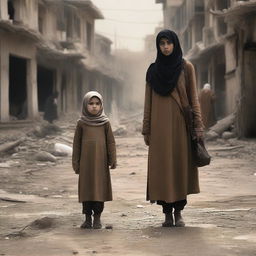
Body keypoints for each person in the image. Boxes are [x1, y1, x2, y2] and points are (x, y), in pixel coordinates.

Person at [142, 29, 204, 227]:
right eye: (162, 43)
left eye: (169, 43)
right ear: (158, 46)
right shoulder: (153, 71)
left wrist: (198, 126)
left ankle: (178, 212)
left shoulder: (186, 67)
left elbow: (194, 98)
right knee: (163, 169)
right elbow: (148, 102)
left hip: (181, 127)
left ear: (175, 44)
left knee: (179, 168)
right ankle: (166, 213)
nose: (166, 47)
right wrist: (146, 128)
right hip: (159, 128)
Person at [72, 91, 117, 229]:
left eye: (97, 104)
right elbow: (76, 144)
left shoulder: (105, 123)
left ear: (101, 105)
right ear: (85, 105)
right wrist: (76, 163)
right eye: (91, 103)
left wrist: (112, 159)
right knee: (87, 191)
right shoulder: (81, 123)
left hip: (100, 163)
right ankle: (87, 219)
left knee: (99, 190)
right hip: (86, 164)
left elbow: (111, 142)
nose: (94, 106)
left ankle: (97, 219)